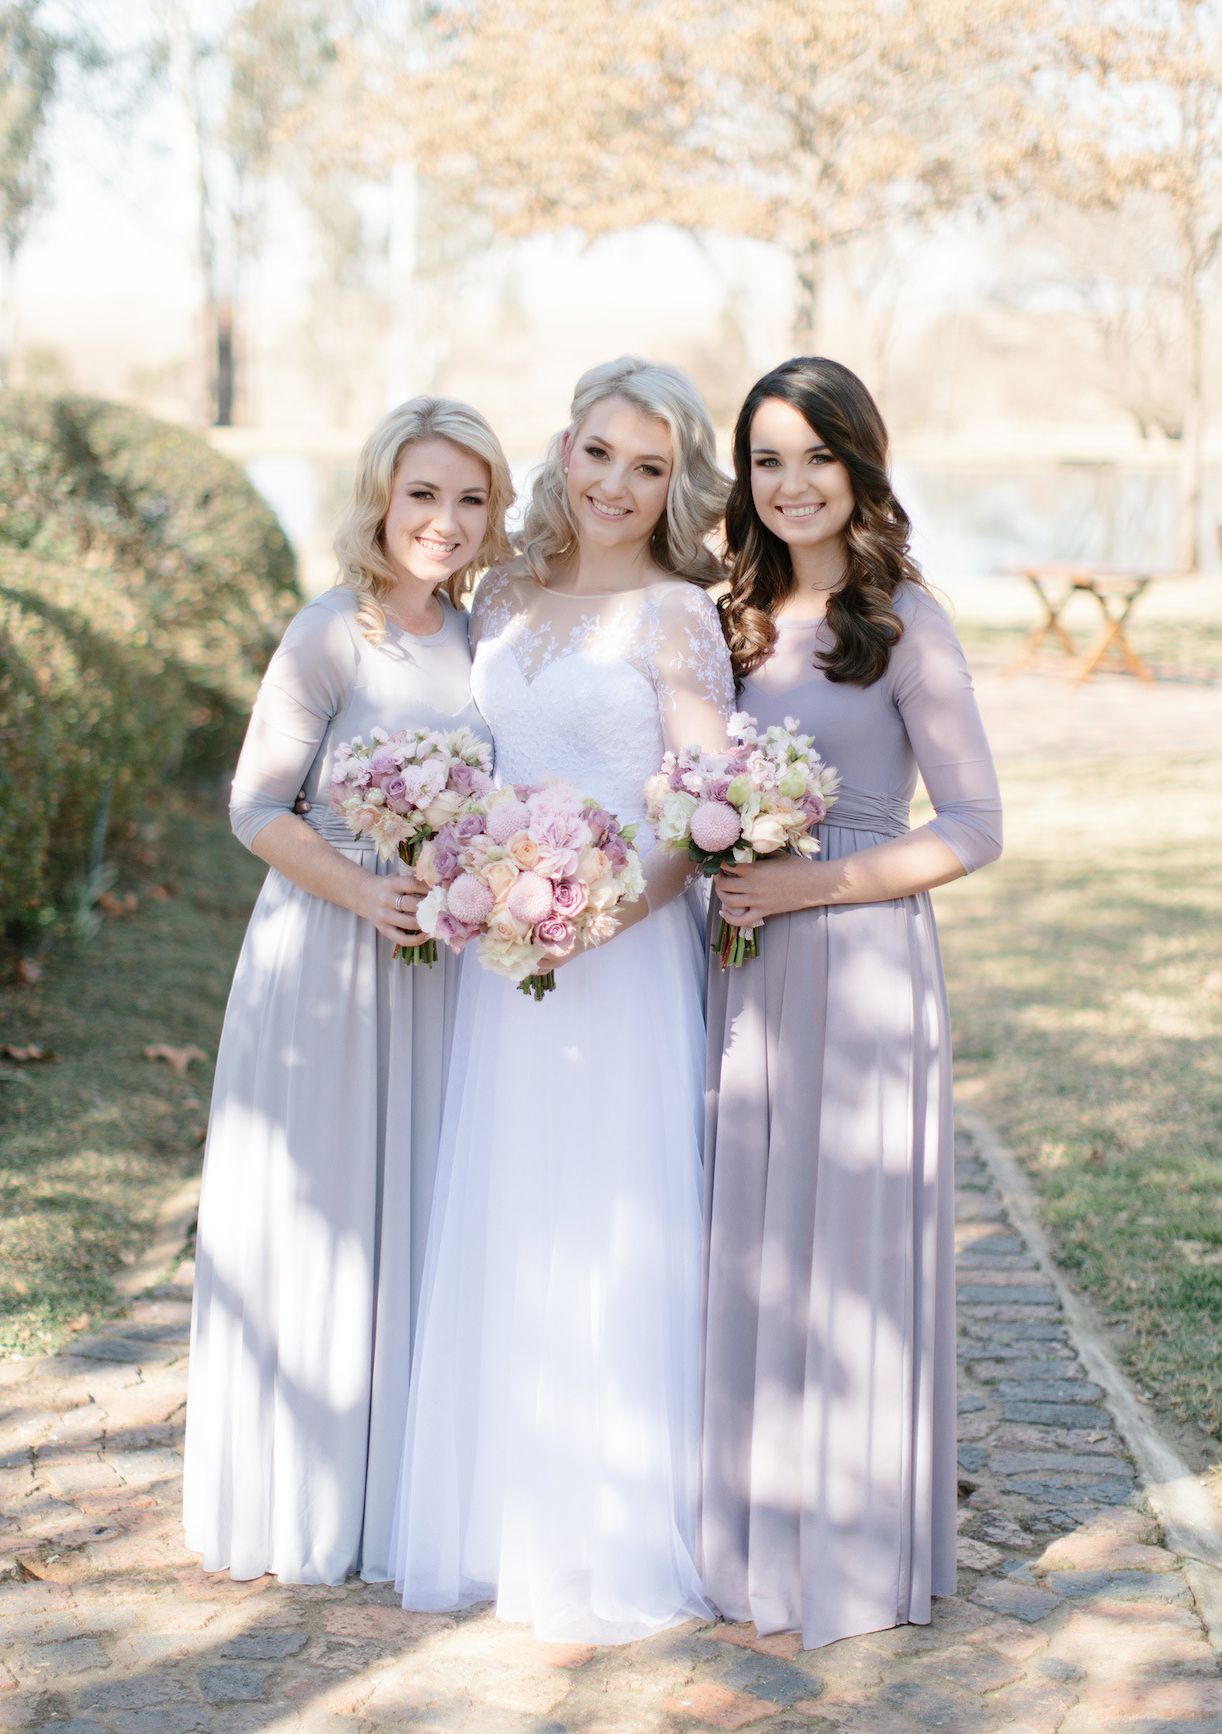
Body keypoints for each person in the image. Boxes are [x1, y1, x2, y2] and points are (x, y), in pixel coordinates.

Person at [392, 357, 735, 1642]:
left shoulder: (676, 617)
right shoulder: (506, 596)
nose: (616, 486)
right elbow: (475, 763)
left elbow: (705, 812)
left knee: (610, 1213)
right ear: (566, 449)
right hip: (505, 958)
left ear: (675, 482)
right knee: (509, 1206)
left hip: (619, 956)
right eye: (599, 454)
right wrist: (471, 869)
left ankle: (610, 1525)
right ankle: (497, 1513)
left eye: (649, 468)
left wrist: (604, 909)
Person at [184, 398, 514, 1585]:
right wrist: (360, 891)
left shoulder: (481, 641)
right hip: (328, 953)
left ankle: (401, 1503)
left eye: (471, 498)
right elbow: (255, 807)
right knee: (324, 1220)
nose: (444, 519)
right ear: (380, 496)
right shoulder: (334, 632)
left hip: (440, 964)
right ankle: (306, 1503)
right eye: (423, 492)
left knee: (420, 1211)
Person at [700, 357, 1002, 1650]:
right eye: (767, 460)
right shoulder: (723, 617)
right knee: (753, 1241)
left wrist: (811, 882)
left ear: (859, 465)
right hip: (742, 975)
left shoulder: (905, 622)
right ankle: (748, 1533)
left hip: (865, 959)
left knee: (854, 1246)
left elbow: (979, 825)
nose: (791, 484)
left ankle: (860, 1545)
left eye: (814, 456)